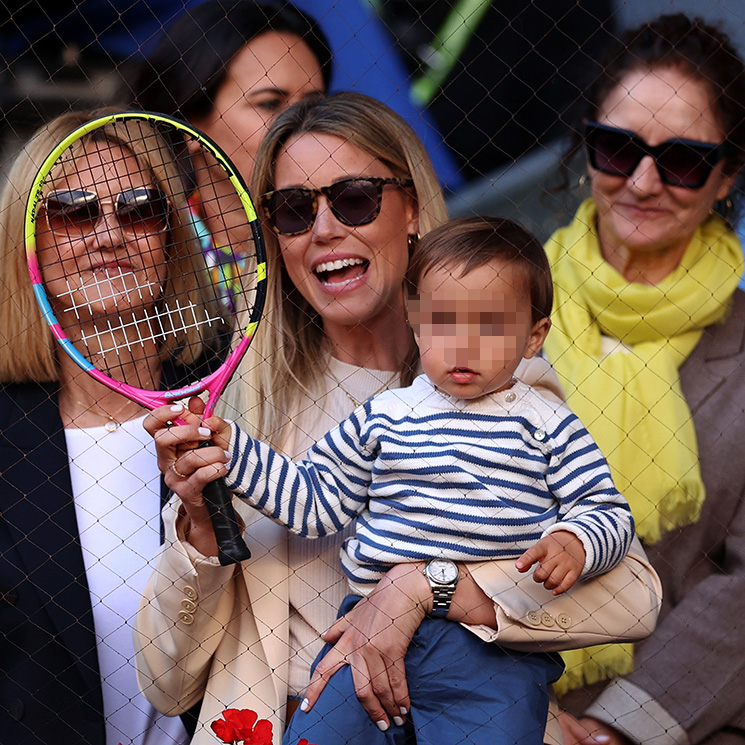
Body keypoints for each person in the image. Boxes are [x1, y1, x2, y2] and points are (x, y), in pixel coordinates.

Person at [134, 93, 662, 745]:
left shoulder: (512, 393)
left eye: (353, 197)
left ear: (410, 208)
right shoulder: (244, 413)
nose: (323, 227)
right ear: (275, 233)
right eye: (295, 209)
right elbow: (165, 683)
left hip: (466, 708)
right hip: (303, 719)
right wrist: (200, 527)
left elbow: (632, 594)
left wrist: (429, 587)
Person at [540, 14, 745, 745]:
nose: (643, 181)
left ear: (725, 177)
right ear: (587, 143)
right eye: (618, 147)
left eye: (683, 160)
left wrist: (616, 727)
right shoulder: (489, 301)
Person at [0, 108, 224, 743]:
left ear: (170, 235)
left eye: (138, 208)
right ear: (29, 242)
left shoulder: (237, 407)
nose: (110, 233)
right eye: (74, 210)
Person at [127, 0, 331, 300]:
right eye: (270, 104)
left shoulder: (355, 227)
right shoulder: (145, 256)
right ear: (190, 126)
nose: (300, 125)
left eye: (313, 105)